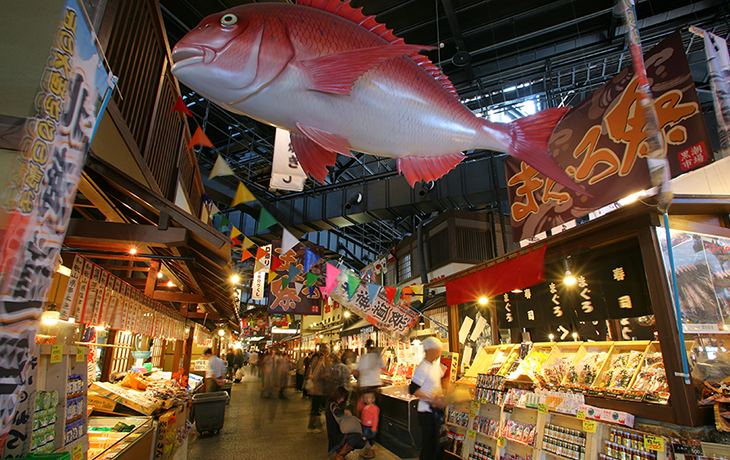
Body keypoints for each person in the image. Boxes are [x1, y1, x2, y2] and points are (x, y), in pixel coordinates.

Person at [409, 337, 448, 460]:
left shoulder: (435, 366)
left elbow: (443, 381)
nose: (439, 354)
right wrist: (432, 400)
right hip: (426, 413)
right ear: (430, 350)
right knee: (429, 447)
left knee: (438, 446)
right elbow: (413, 390)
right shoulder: (422, 368)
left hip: (436, 412)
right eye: (438, 351)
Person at [326, 386, 366, 460]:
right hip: (336, 435)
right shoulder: (332, 404)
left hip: (337, 433)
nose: (342, 399)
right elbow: (336, 412)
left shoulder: (333, 404)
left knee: (360, 442)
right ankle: (340, 455)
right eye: (341, 397)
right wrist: (345, 412)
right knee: (356, 438)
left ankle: (341, 452)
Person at [352, 339, 386, 413]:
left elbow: (355, 372)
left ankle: (365, 422)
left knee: (365, 410)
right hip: (376, 386)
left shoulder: (361, 358)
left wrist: (362, 375)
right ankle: (375, 423)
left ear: (366, 347)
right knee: (376, 410)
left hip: (365, 387)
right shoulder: (378, 357)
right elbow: (383, 369)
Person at [359, 391, 379, 458]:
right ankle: (367, 449)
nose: (367, 400)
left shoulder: (374, 408)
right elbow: (359, 407)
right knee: (367, 438)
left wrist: (374, 428)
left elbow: (375, 418)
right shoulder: (365, 406)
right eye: (366, 398)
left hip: (370, 426)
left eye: (369, 398)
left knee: (370, 439)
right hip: (365, 425)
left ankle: (372, 450)